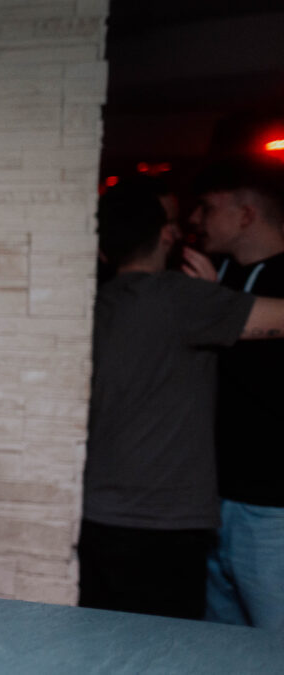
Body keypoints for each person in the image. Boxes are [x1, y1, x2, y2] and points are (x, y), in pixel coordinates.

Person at [80, 177, 284, 619]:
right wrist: (220, 299)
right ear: (165, 236)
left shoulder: (90, 303)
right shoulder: (184, 298)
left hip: (95, 513)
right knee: (173, 646)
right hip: (166, 522)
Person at [183, 158, 284, 629]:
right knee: (220, 646)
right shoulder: (211, 273)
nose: (195, 219)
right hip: (211, 499)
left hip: (272, 507)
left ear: (246, 215)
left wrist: (218, 308)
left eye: (207, 208)